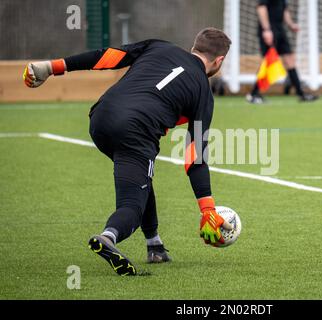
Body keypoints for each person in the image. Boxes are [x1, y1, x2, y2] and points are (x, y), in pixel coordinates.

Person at [23, 27, 233, 276]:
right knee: (132, 206)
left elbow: (108, 56)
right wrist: (207, 209)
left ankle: (154, 245)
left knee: (143, 177)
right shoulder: (202, 91)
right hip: (135, 131)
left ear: (193, 47)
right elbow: (195, 156)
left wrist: (52, 67)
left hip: (100, 117)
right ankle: (108, 236)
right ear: (219, 61)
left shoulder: (159, 46)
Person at [246, 0, 317, 104]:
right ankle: (253, 94)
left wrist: (291, 24)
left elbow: (284, 10)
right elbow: (261, 9)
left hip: (280, 29)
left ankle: (301, 94)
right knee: (268, 62)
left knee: (290, 60)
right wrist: (266, 30)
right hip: (269, 30)